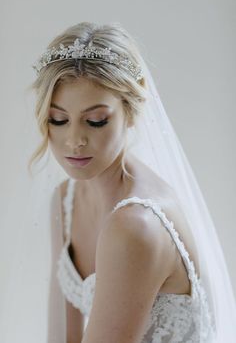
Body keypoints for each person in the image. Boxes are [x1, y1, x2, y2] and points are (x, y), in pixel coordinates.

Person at [24, 21, 236, 342]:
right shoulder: (66, 199)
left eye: (96, 121)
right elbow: (62, 335)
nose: (74, 140)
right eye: (58, 119)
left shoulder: (135, 225)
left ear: (131, 111)